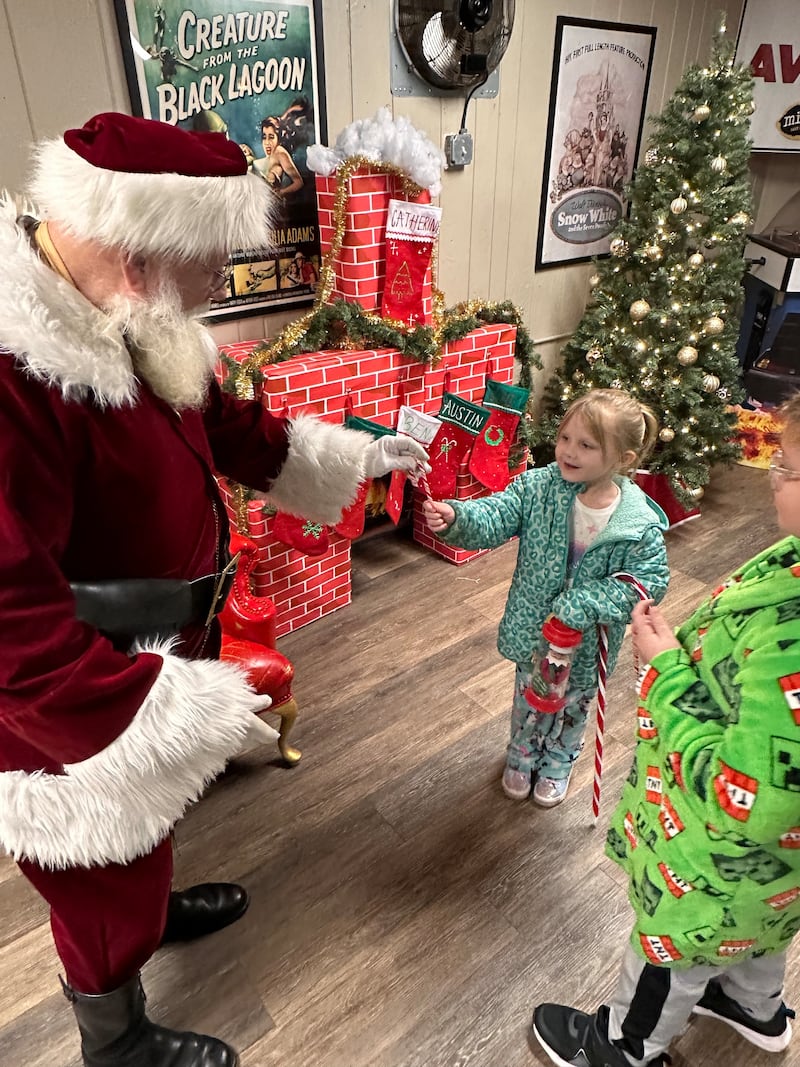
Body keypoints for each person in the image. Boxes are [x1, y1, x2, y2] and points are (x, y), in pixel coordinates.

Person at [0, 112, 428, 1067]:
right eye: (211, 265)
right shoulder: (16, 370)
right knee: (100, 879)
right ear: (137, 254)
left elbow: (225, 423)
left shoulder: (123, 311)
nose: (217, 287)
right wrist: (133, 728)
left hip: (156, 648)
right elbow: (7, 621)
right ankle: (115, 1037)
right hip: (75, 699)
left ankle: (152, 905)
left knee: (144, 852)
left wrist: (354, 458)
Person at [531, 391, 800, 1065]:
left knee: (671, 945)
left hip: (712, 861)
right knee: (762, 923)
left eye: (787, 467)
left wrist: (667, 673)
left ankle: (621, 1044)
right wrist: (687, 654)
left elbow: (749, 795)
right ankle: (752, 1003)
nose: (772, 475)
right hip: (772, 876)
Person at [422, 388, 669, 807]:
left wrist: (586, 602)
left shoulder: (637, 523)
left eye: (586, 445)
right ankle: (521, 753)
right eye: (565, 438)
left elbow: (648, 582)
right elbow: (497, 513)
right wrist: (458, 517)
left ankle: (558, 759)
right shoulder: (538, 487)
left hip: (587, 645)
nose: (568, 451)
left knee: (573, 705)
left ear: (624, 459)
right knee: (528, 699)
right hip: (535, 631)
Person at [252, 116, 303, 197]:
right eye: (264, 137)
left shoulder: (280, 153)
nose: (267, 143)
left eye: (271, 137)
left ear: (278, 139)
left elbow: (299, 182)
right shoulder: (271, 154)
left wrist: (281, 192)